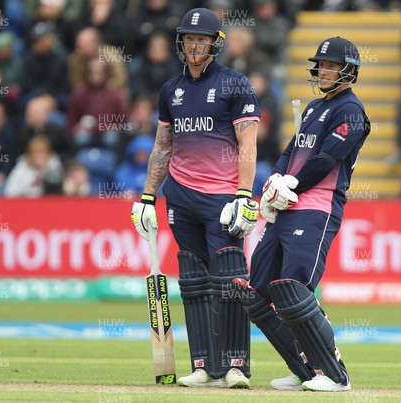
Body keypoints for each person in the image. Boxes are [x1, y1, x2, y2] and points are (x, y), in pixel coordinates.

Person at [130, 8, 260, 389]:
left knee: (231, 281)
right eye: (189, 38)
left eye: (201, 39)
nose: (194, 45)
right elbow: (162, 146)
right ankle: (204, 366)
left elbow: (247, 142)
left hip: (222, 198)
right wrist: (148, 197)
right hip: (180, 199)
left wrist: (244, 195)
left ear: (215, 43)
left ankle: (236, 366)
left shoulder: (235, 85)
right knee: (193, 283)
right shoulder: (171, 89)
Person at [234, 36, 370, 392]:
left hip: (316, 207)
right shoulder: (312, 108)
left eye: (332, 65)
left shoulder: (350, 111)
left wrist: (292, 182)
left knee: (294, 288)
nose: (324, 70)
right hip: (287, 206)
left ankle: (335, 375)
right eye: (322, 65)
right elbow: (291, 149)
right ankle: (306, 370)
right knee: (258, 293)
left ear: (349, 71)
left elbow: (326, 160)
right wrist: (278, 178)